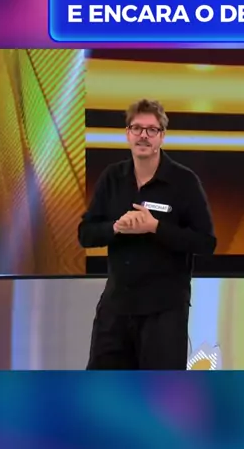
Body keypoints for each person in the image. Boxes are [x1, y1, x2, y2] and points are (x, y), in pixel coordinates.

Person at [78, 99, 217, 370]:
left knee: (159, 390)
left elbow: (206, 242)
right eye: (137, 128)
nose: (143, 135)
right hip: (116, 308)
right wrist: (116, 227)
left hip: (164, 312)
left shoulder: (184, 181)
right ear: (127, 134)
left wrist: (155, 228)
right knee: (103, 388)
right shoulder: (112, 177)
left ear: (162, 136)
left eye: (151, 130)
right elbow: (86, 234)